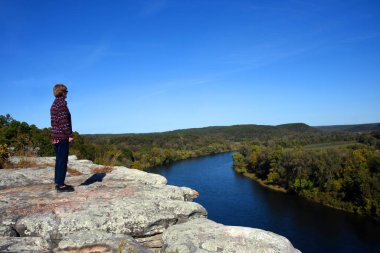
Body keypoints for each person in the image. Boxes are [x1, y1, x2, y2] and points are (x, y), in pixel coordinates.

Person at [50, 84, 75, 192]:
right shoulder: (61, 104)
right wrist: (69, 135)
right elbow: (64, 123)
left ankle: (58, 182)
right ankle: (61, 185)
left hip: (56, 136)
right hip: (62, 136)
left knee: (59, 160)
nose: (67, 93)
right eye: (66, 91)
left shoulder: (55, 103)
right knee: (62, 161)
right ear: (63, 92)